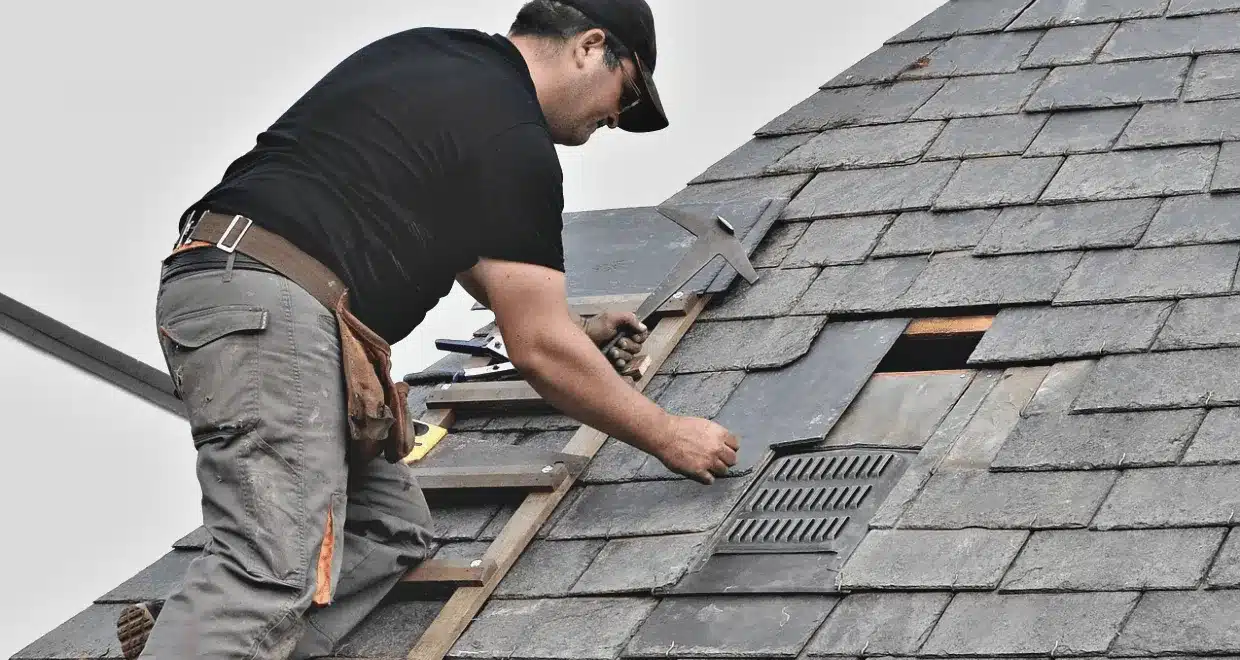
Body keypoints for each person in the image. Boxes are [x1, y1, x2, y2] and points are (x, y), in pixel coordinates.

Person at [118, 0, 741, 658]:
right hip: (276, 308)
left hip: (235, 286)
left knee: (390, 527)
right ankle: (215, 632)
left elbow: (479, 259)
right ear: (589, 47)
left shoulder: (432, 58)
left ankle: (201, 637)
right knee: (267, 571)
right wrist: (669, 435)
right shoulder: (513, 135)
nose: (616, 119)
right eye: (628, 93)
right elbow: (538, 350)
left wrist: (575, 326)